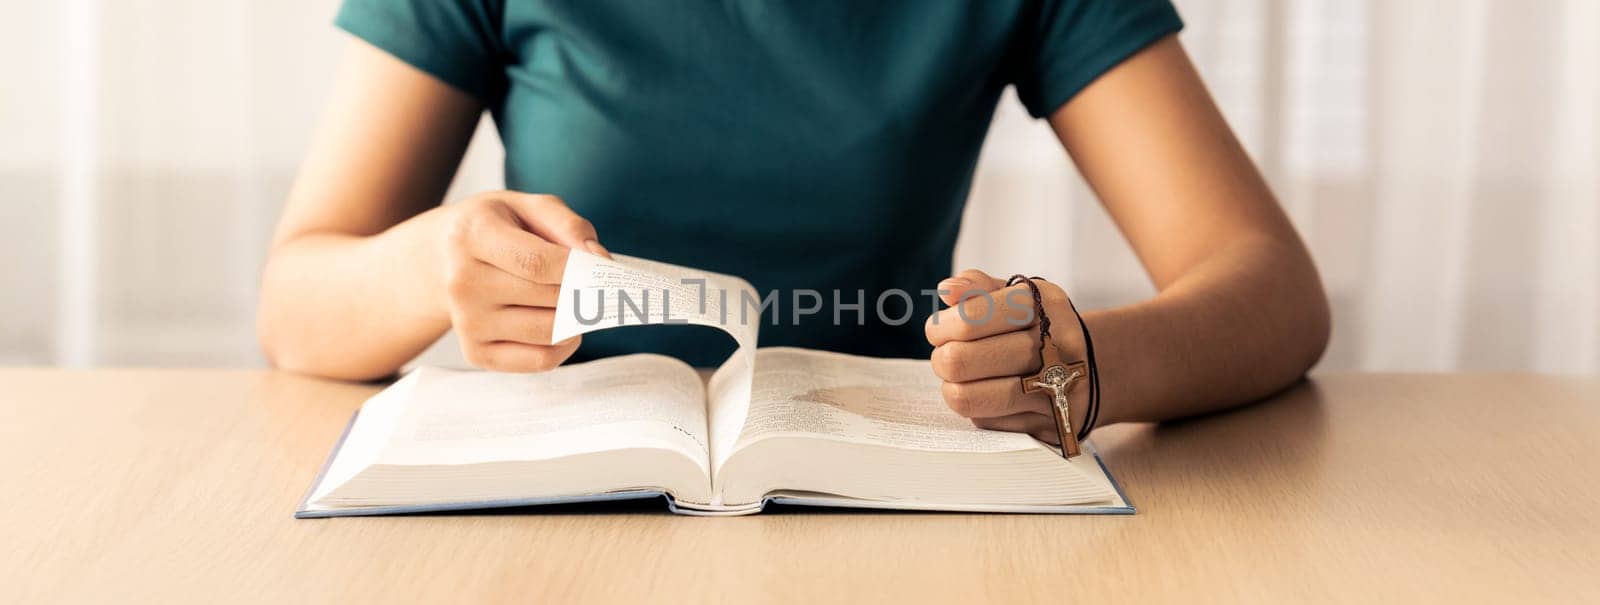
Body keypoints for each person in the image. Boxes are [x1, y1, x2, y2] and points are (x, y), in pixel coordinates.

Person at [258, 0, 1330, 444]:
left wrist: (1083, 363)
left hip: (889, 490)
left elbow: (1269, 286)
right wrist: (437, 258)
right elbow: (296, 303)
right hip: (561, 502)